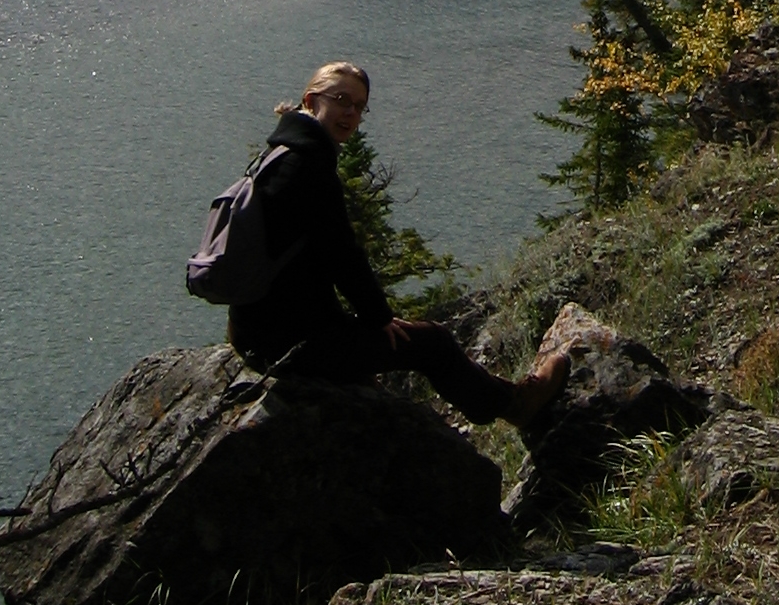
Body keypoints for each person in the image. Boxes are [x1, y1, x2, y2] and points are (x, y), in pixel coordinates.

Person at [227, 59, 568, 430]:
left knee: (370, 370)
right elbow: (342, 256)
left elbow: (302, 267)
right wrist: (379, 319)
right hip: (287, 344)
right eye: (341, 100)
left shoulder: (275, 156)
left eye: (359, 106)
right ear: (311, 100)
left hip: (254, 334)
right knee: (433, 342)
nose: (351, 113)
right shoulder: (307, 167)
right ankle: (515, 406)